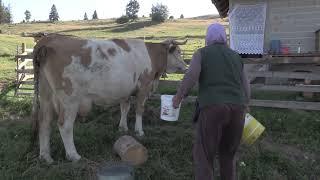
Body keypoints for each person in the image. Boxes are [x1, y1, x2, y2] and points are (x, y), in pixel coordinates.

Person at [172, 23, 251, 180]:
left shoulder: (202, 53)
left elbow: (191, 76)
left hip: (212, 108)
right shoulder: (235, 56)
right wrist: (246, 104)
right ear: (224, 37)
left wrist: (178, 96)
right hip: (238, 110)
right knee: (228, 155)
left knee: (204, 156)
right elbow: (246, 85)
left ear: (208, 37)